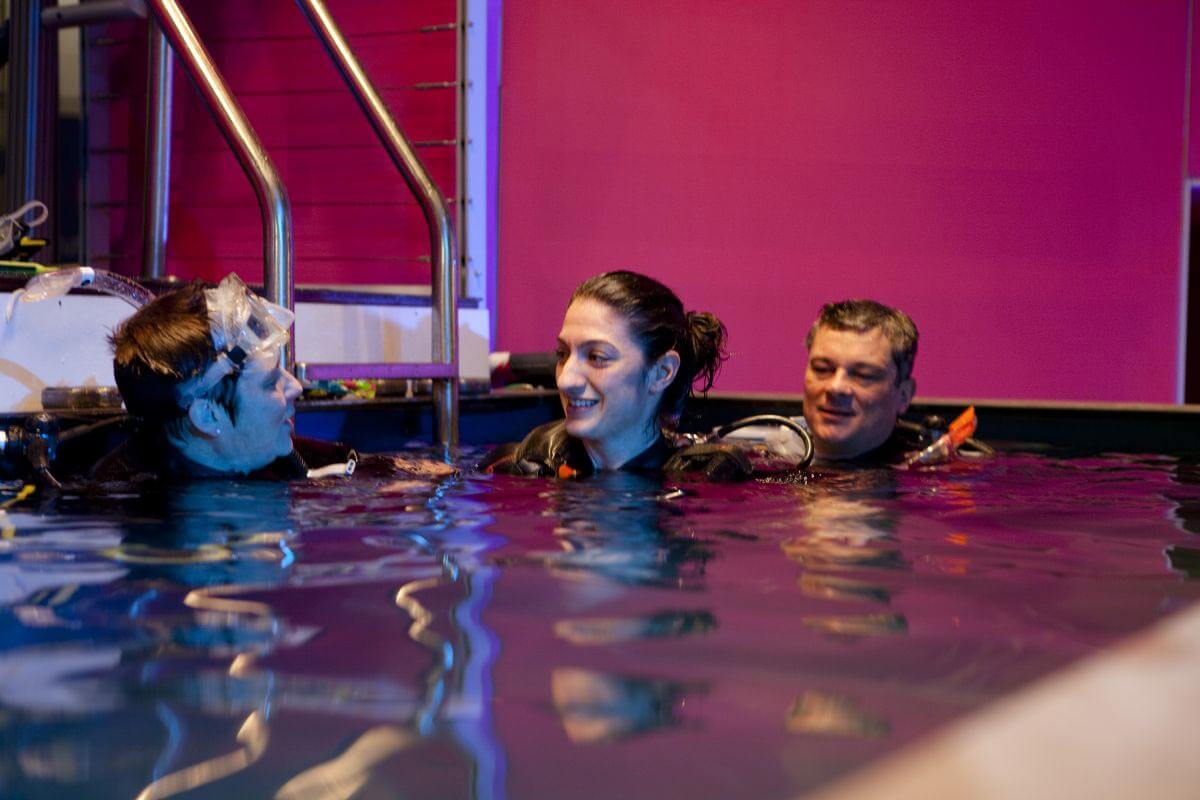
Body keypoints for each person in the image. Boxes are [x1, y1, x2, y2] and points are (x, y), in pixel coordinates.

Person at [92, 273, 447, 482]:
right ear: (208, 415)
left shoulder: (273, 452)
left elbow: (413, 472)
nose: (296, 386)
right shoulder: (133, 505)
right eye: (269, 382)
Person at [482, 270, 737, 478]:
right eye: (562, 354)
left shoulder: (707, 481)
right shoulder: (526, 465)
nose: (565, 380)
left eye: (597, 357)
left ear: (662, 372)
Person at [802, 299, 918, 464]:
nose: (835, 387)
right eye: (822, 369)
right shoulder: (771, 452)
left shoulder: (934, 473)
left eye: (863, 375)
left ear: (904, 396)